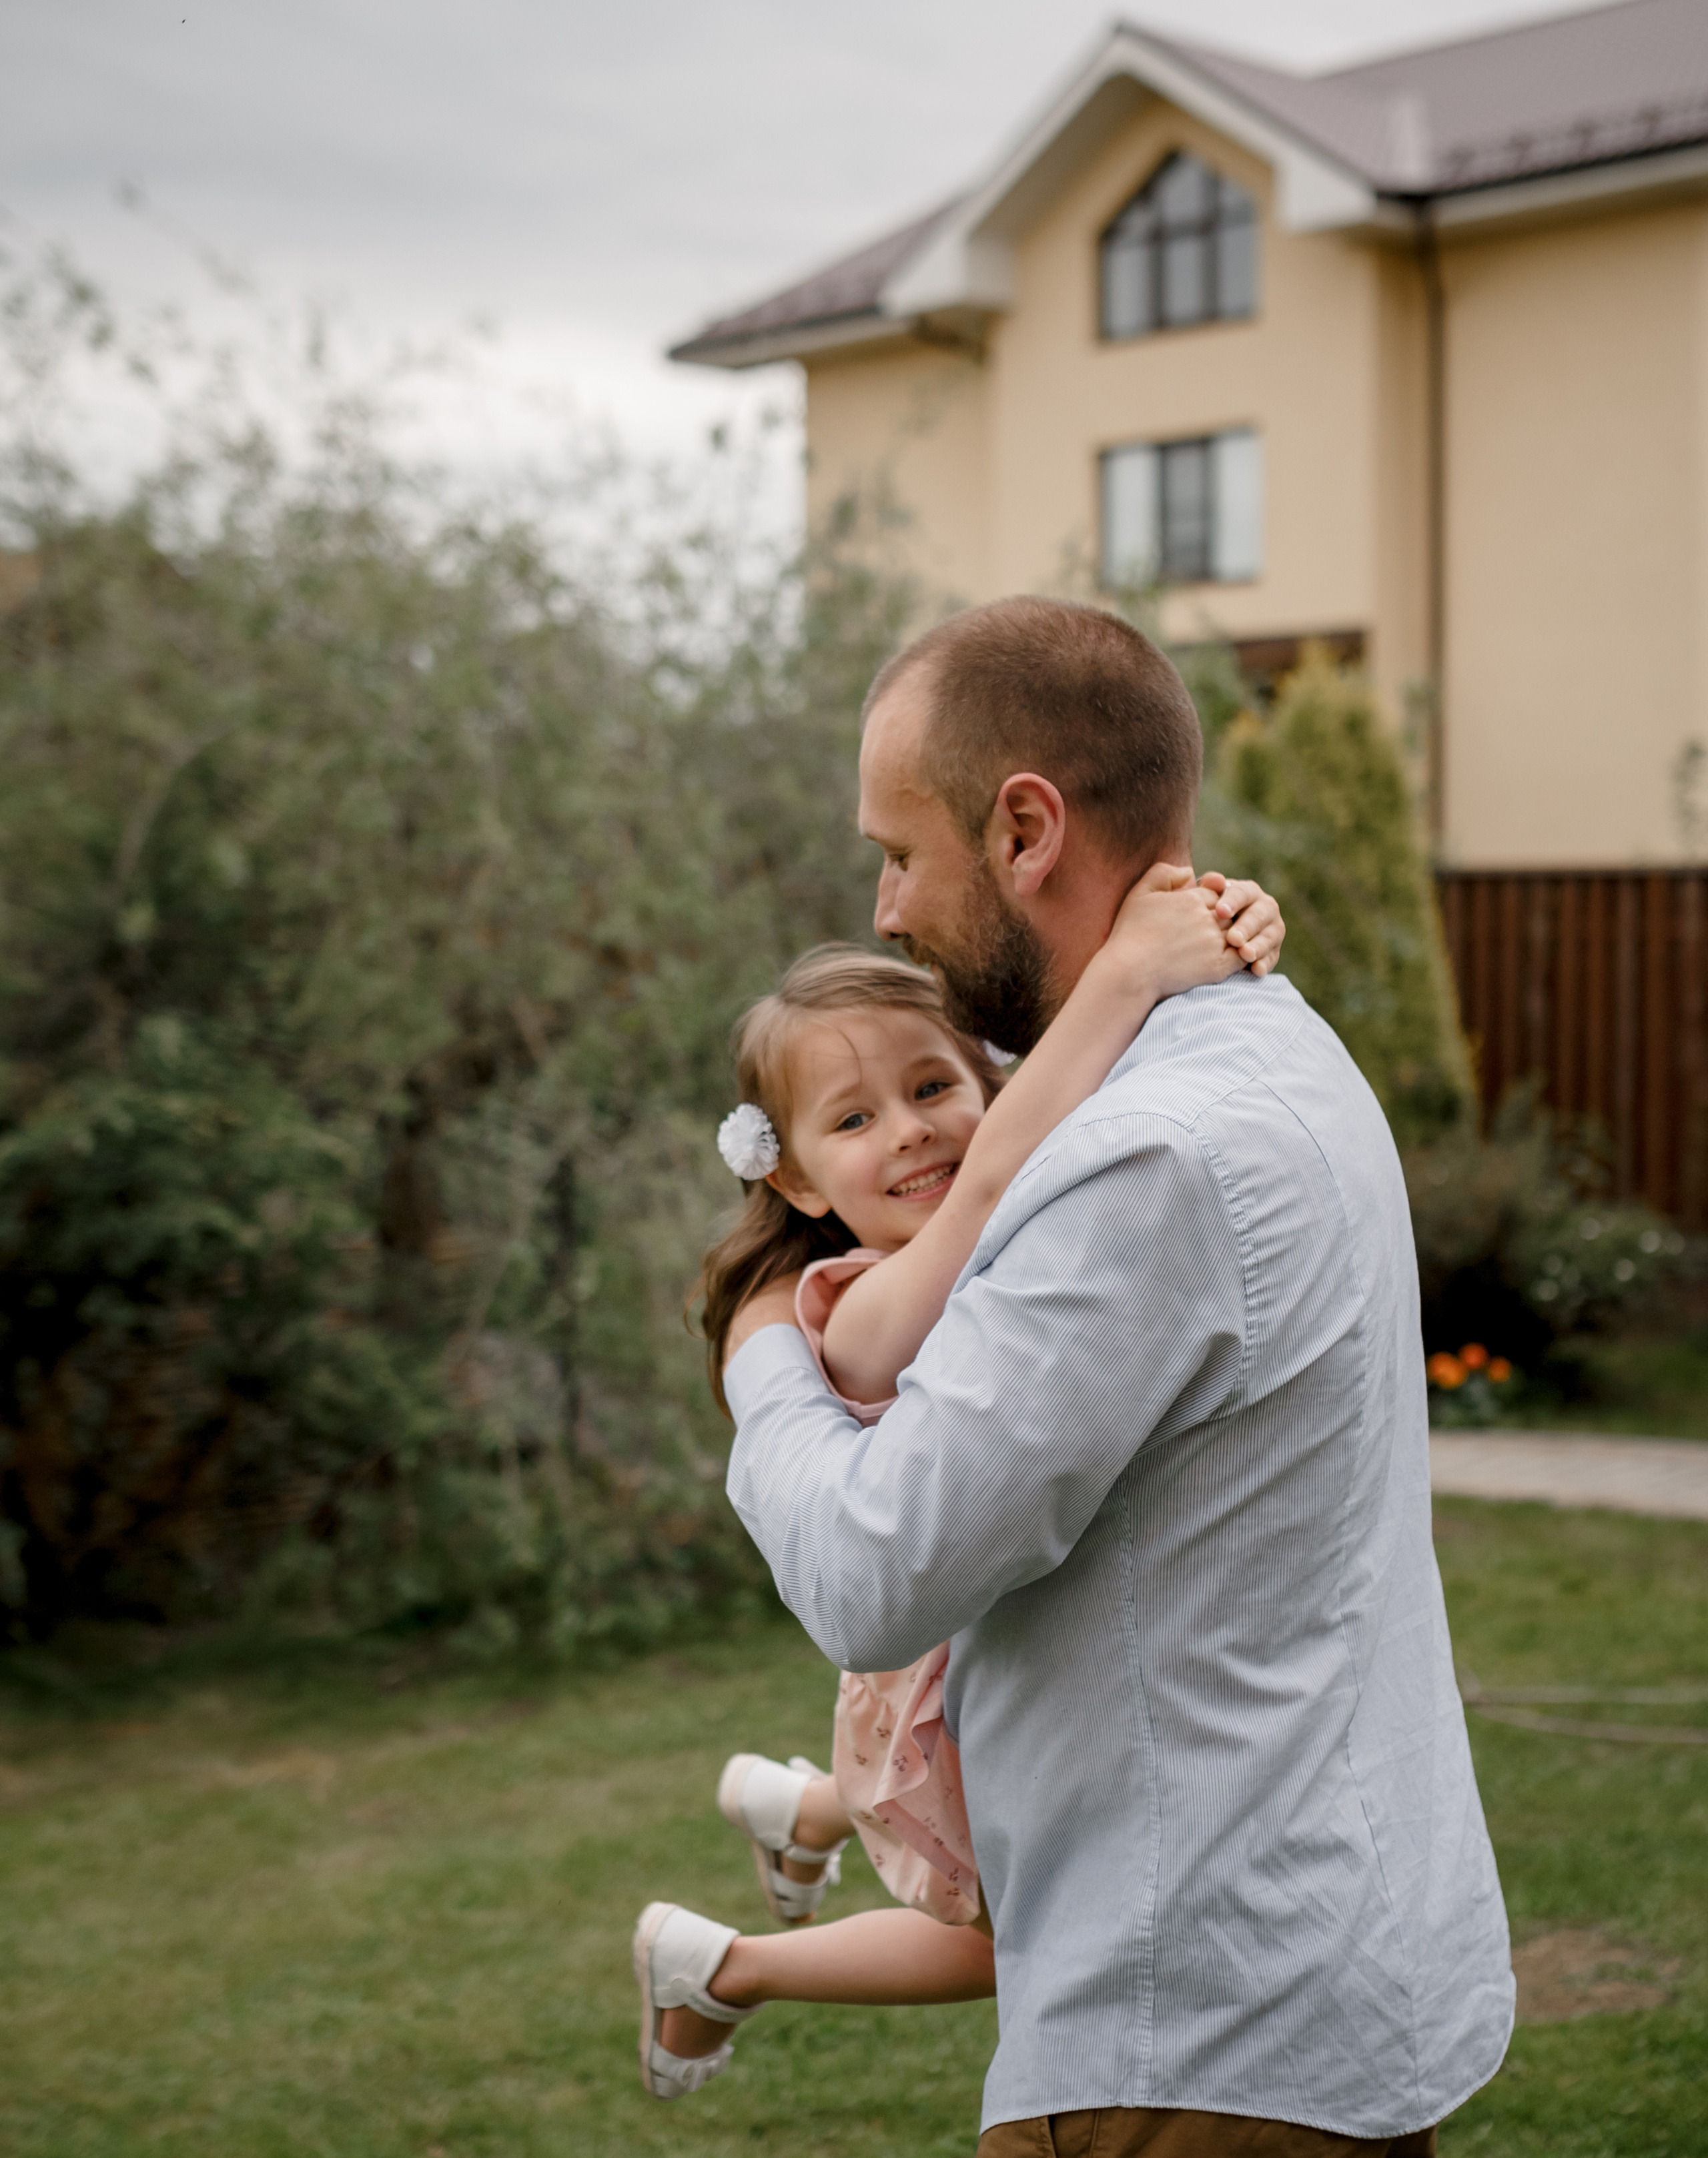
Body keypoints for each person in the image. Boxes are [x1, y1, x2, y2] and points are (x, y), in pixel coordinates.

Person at [699, 597, 1514, 2155]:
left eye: (899, 849)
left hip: (1194, 2033)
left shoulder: (1148, 1157)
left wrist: (756, 1349)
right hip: (1309, 1961)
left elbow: (876, 1567)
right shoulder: (1255, 1040)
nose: (882, 904)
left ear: (1022, 830)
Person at [634, 863, 1286, 2099]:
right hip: (932, 1691)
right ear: (798, 1184)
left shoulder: (1019, 1215)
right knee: (1000, 1942)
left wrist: (1223, 916)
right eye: (854, 1120)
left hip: (984, 1668)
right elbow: (993, 1182)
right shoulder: (849, 1307)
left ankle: (805, 1812)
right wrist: (1134, 966)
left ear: (987, 1079)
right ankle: (718, 1966)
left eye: (935, 1087)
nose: (913, 1130)